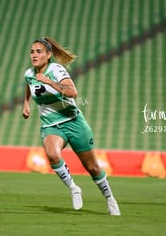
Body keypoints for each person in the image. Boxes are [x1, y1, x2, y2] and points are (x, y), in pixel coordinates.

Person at [22, 37, 120, 215]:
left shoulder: (56, 70)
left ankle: (110, 198)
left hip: (73, 122)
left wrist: (49, 81)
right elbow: (29, 85)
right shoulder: (29, 74)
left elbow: (73, 92)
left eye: (38, 51)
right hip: (51, 125)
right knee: (52, 155)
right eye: (31, 52)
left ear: (49, 55)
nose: (34, 55)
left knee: (93, 168)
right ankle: (74, 188)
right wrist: (26, 104)